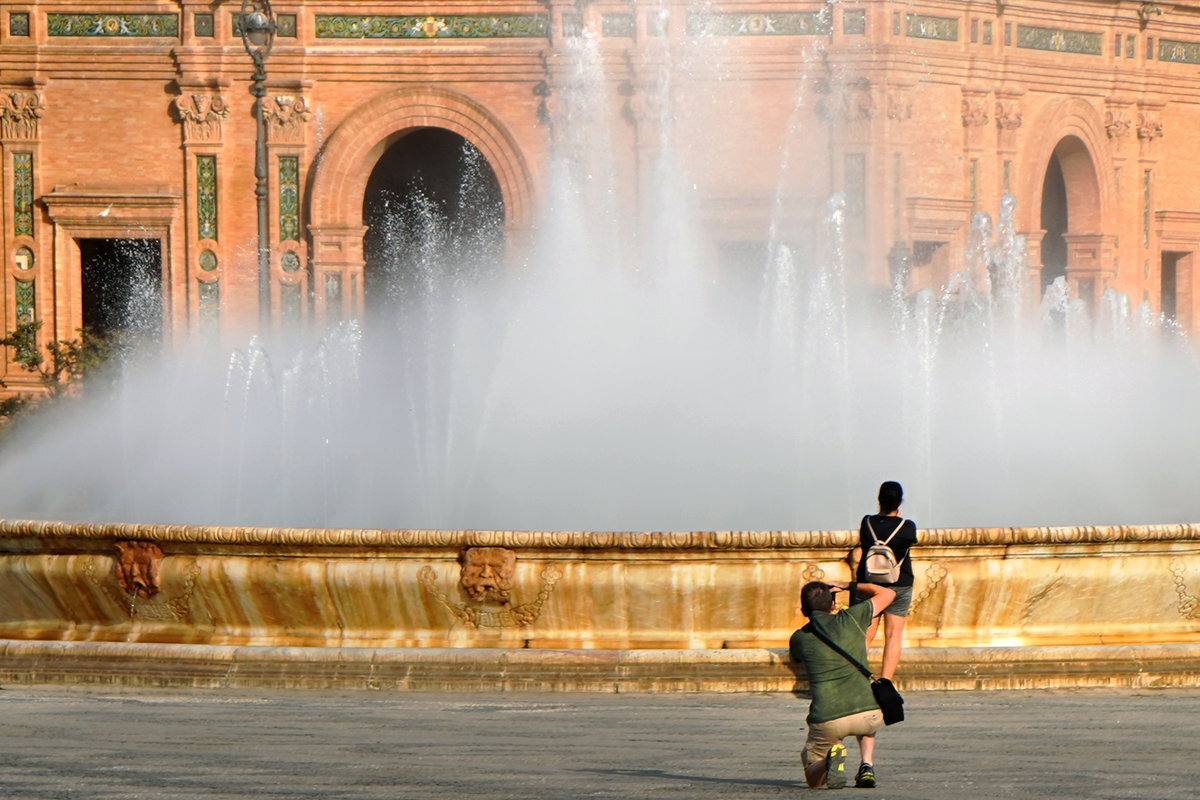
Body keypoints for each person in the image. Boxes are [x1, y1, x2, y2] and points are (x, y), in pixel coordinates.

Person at [790, 580, 895, 789]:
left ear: (803, 610)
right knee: (865, 708)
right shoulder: (852, 618)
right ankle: (866, 764)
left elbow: (796, 659)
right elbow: (888, 594)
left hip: (828, 718)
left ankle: (828, 762)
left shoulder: (799, 638)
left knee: (814, 779)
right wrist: (848, 585)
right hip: (868, 715)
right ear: (833, 605)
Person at [855, 480, 918, 681]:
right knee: (893, 635)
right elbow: (910, 541)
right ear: (900, 502)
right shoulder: (907, 526)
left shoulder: (867, 523)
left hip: (869, 585)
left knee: (865, 634)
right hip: (899, 584)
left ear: (879, 499)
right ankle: (886, 681)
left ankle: (857, 678)